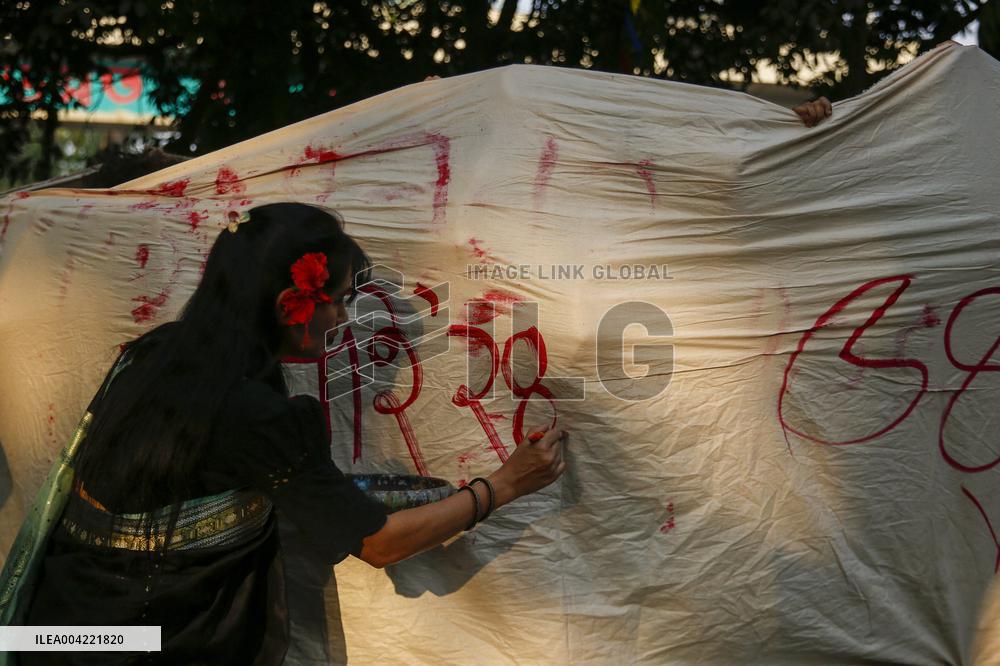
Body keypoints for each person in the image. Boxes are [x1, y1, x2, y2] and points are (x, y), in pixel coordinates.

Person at [0, 203, 568, 665]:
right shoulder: (255, 414)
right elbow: (380, 543)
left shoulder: (154, 356)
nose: (343, 321)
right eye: (339, 302)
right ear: (289, 305)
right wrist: (504, 485)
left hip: (60, 629)